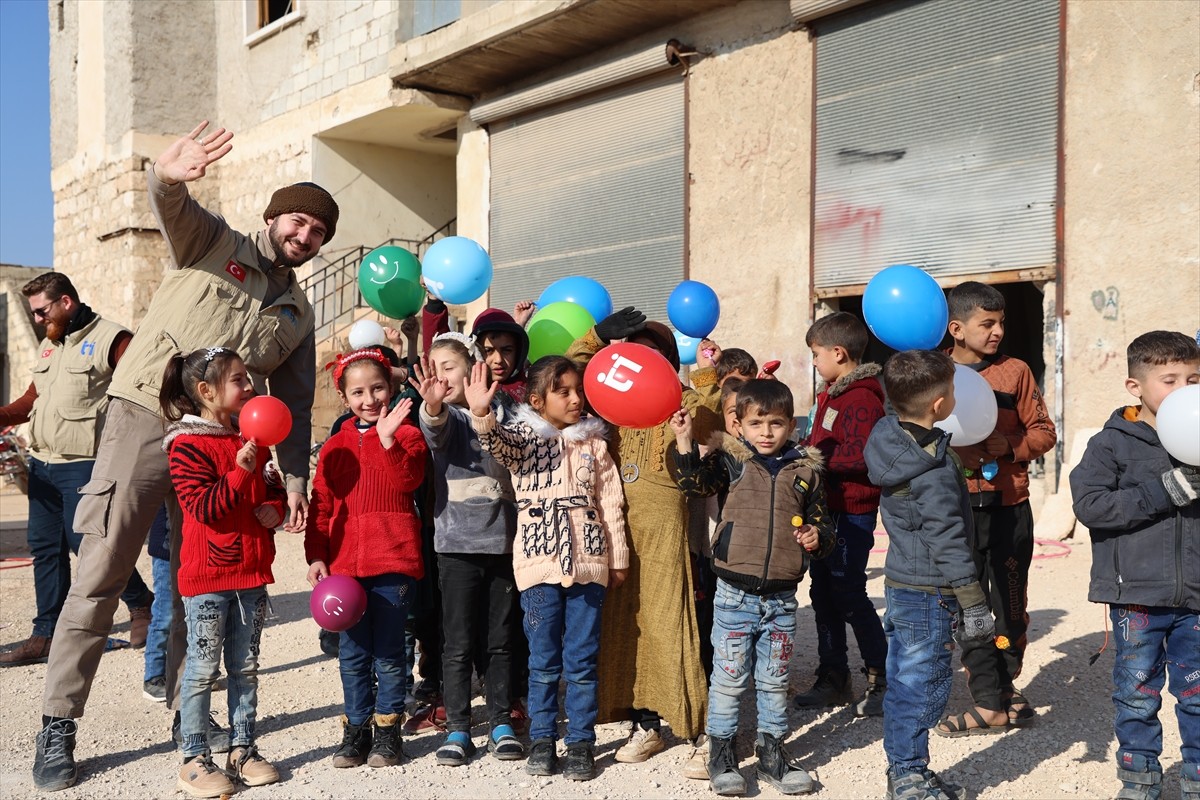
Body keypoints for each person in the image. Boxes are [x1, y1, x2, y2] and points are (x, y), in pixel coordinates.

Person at [33, 121, 336, 792]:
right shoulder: (215, 241)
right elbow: (170, 202)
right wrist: (167, 175)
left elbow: (292, 402)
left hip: (218, 447)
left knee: (196, 581)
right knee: (102, 572)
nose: (305, 236)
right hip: (143, 414)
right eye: (298, 221)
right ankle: (58, 723)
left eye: (318, 231)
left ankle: (187, 721)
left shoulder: (297, 313)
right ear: (273, 217)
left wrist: (292, 482)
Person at [466, 356, 629, 782]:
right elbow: (498, 444)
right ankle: (541, 739)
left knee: (582, 658)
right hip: (539, 567)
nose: (576, 399)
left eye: (579, 391)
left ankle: (580, 743)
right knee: (542, 660)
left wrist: (619, 557)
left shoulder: (595, 446)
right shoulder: (524, 438)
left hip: (589, 564)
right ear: (538, 401)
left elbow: (611, 504)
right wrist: (482, 414)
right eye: (564, 392)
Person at [670, 379, 834, 796]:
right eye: (756, 422)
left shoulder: (806, 471)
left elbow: (826, 527)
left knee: (775, 679)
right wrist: (685, 442)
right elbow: (694, 485)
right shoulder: (730, 462)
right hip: (733, 596)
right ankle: (721, 755)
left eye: (776, 423)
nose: (766, 432)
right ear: (739, 425)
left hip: (781, 598)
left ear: (791, 426)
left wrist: (817, 536)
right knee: (727, 679)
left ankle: (772, 754)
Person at [567, 310, 716, 765]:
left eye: (651, 354)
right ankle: (645, 725)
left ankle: (702, 728)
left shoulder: (685, 404)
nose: (638, 363)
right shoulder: (610, 408)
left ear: (669, 362)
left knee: (673, 623)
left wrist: (707, 373)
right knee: (628, 626)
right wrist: (596, 336)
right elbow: (573, 371)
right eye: (631, 353)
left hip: (670, 536)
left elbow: (716, 422)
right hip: (618, 534)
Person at [1070, 330, 1200, 800]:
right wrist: (1165, 490)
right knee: (1136, 693)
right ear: (1135, 386)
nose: (1184, 389)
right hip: (1138, 596)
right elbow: (1091, 505)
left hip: (1197, 598)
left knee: (1198, 695)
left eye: (1194, 378)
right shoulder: (1112, 445)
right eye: (1170, 379)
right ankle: (1139, 778)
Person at [0, 273, 154, 667]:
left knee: (86, 543)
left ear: (66, 302)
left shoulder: (113, 339)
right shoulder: (50, 344)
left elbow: (144, 387)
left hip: (86, 464)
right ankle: (46, 634)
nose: (37, 319)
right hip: (43, 464)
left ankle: (140, 604)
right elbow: (34, 398)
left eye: (42, 310)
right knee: (44, 548)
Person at [864, 349, 996, 800]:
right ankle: (907, 776)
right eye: (953, 390)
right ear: (940, 405)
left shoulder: (888, 435)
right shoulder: (933, 470)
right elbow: (947, 539)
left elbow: (895, 402)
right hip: (930, 591)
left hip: (902, 584)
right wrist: (974, 601)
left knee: (906, 679)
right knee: (923, 687)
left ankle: (907, 768)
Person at [161, 347, 285, 796]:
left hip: (252, 575)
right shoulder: (185, 445)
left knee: (246, 667)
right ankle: (194, 758)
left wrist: (276, 507)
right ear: (205, 391)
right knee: (201, 670)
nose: (249, 386)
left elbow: (270, 491)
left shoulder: (255, 438)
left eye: (247, 377)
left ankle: (242, 749)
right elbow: (204, 508)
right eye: (238, 379)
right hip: (209, 580)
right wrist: (237, 472)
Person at [935, 282, 1057, 735]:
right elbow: (913, 435)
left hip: (1009, 506)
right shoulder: (934, 373)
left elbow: (1045, 433)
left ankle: (1007, 685)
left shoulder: (1016, 372)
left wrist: (1011, 445)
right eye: (987, 323)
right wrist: (951, 453)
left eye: (1001, 322)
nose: (998, 331)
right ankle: (988, 697)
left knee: (1009, 605)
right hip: (956, 512)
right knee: (969, 605)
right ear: (956, 328)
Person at [305, 350, 429, 769]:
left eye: (378, 388)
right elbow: (321, 505)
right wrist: (317, 556)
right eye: (358, 392)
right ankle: (355, 730)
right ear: (344, 398)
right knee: (353, 654)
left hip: (393, 561)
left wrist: (389, 440)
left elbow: (409, 480)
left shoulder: (408, 434)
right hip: (344, 571)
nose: (369, 399)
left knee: (391, 652)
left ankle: (388, 731)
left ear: (392, 390)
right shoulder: (335, 447)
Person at [411, 334, 524, 766]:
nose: (440, 376)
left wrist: (483, 413)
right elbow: (434, 429)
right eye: (433, 368)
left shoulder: (503, 413)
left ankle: (500, 721)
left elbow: (510, 457)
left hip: (501, 547)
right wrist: (435, 406)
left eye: (449, 367)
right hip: (456, 549)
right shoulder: (444, 418)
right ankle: (458, 727)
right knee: (456, 643)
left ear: (473, 369)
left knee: (499, 641)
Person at [793, 312, 889, 716]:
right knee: (822, 594)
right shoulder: (830, 393)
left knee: (849, 592)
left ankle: (882, 674)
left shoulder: (863, 398)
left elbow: (865, 456)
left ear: (839, 352)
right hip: (824, 511)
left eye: (816, 354)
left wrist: (815, 458)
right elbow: (825, 441)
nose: (813, 362)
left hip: (852, 512)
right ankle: (833, 676)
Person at [141, 506, 172, 701]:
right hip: (166, 550)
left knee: (194, 613)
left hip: (194, 549)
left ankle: (191, 673)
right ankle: (153, 676)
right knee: (164, 614)